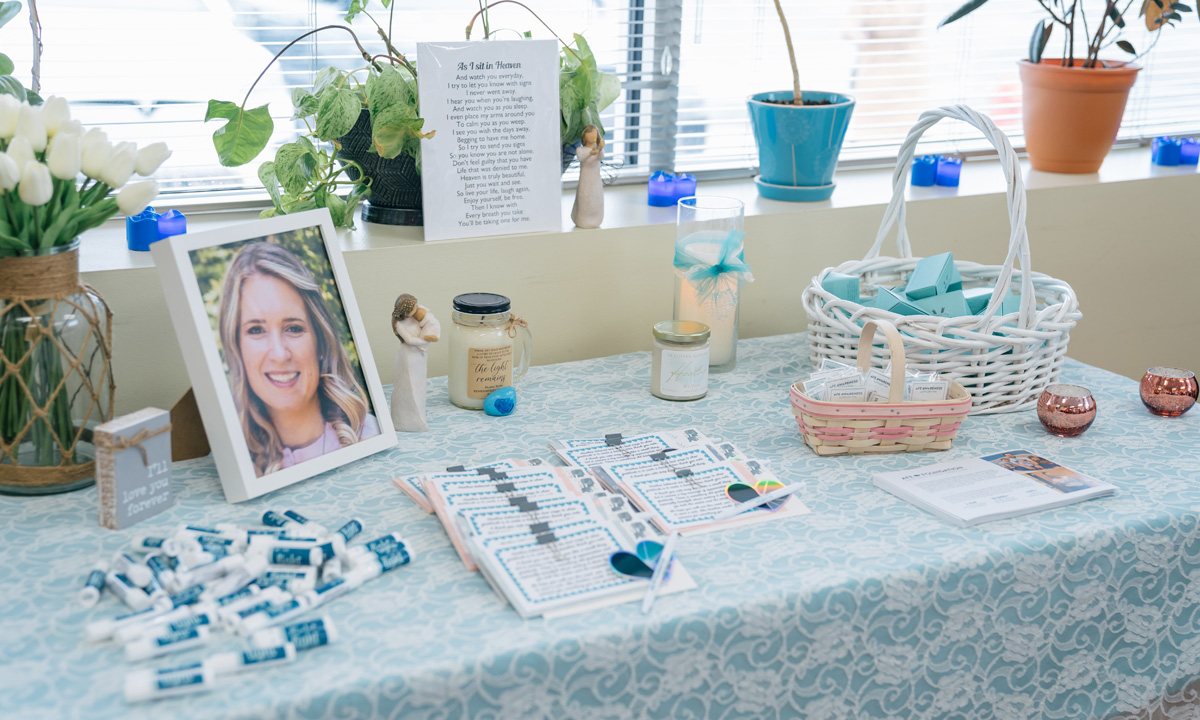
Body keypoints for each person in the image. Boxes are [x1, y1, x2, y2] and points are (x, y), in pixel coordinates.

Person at [217, 241, 379, 477]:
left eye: (293, 328)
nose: (279, 354)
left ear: (320, 341)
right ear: (237, 348)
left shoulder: (370, 436)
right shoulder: (233, 462)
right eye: (256, 330)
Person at [390, 293, 440, 432]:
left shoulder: (417, 317)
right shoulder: (399, 323)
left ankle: (420, 417)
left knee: (419, 385)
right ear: (407, 310)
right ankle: (407, 421)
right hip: (409, 356)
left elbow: (430, 322)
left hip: (420, 355)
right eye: (414, 307)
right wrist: (426, 340)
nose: (417, 308)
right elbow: (410, 340)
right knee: (408, 386)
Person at [570, 124, 604, 229]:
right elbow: (582, 157)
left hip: (595, 181)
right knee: (584, 199)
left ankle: (596, 219)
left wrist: (600, 149)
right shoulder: (580, 150)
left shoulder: (598, 150)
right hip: (585, 181)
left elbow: (601, 157)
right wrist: (592, 152)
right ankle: (582, 220)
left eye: (594, 134)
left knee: (595, 199)